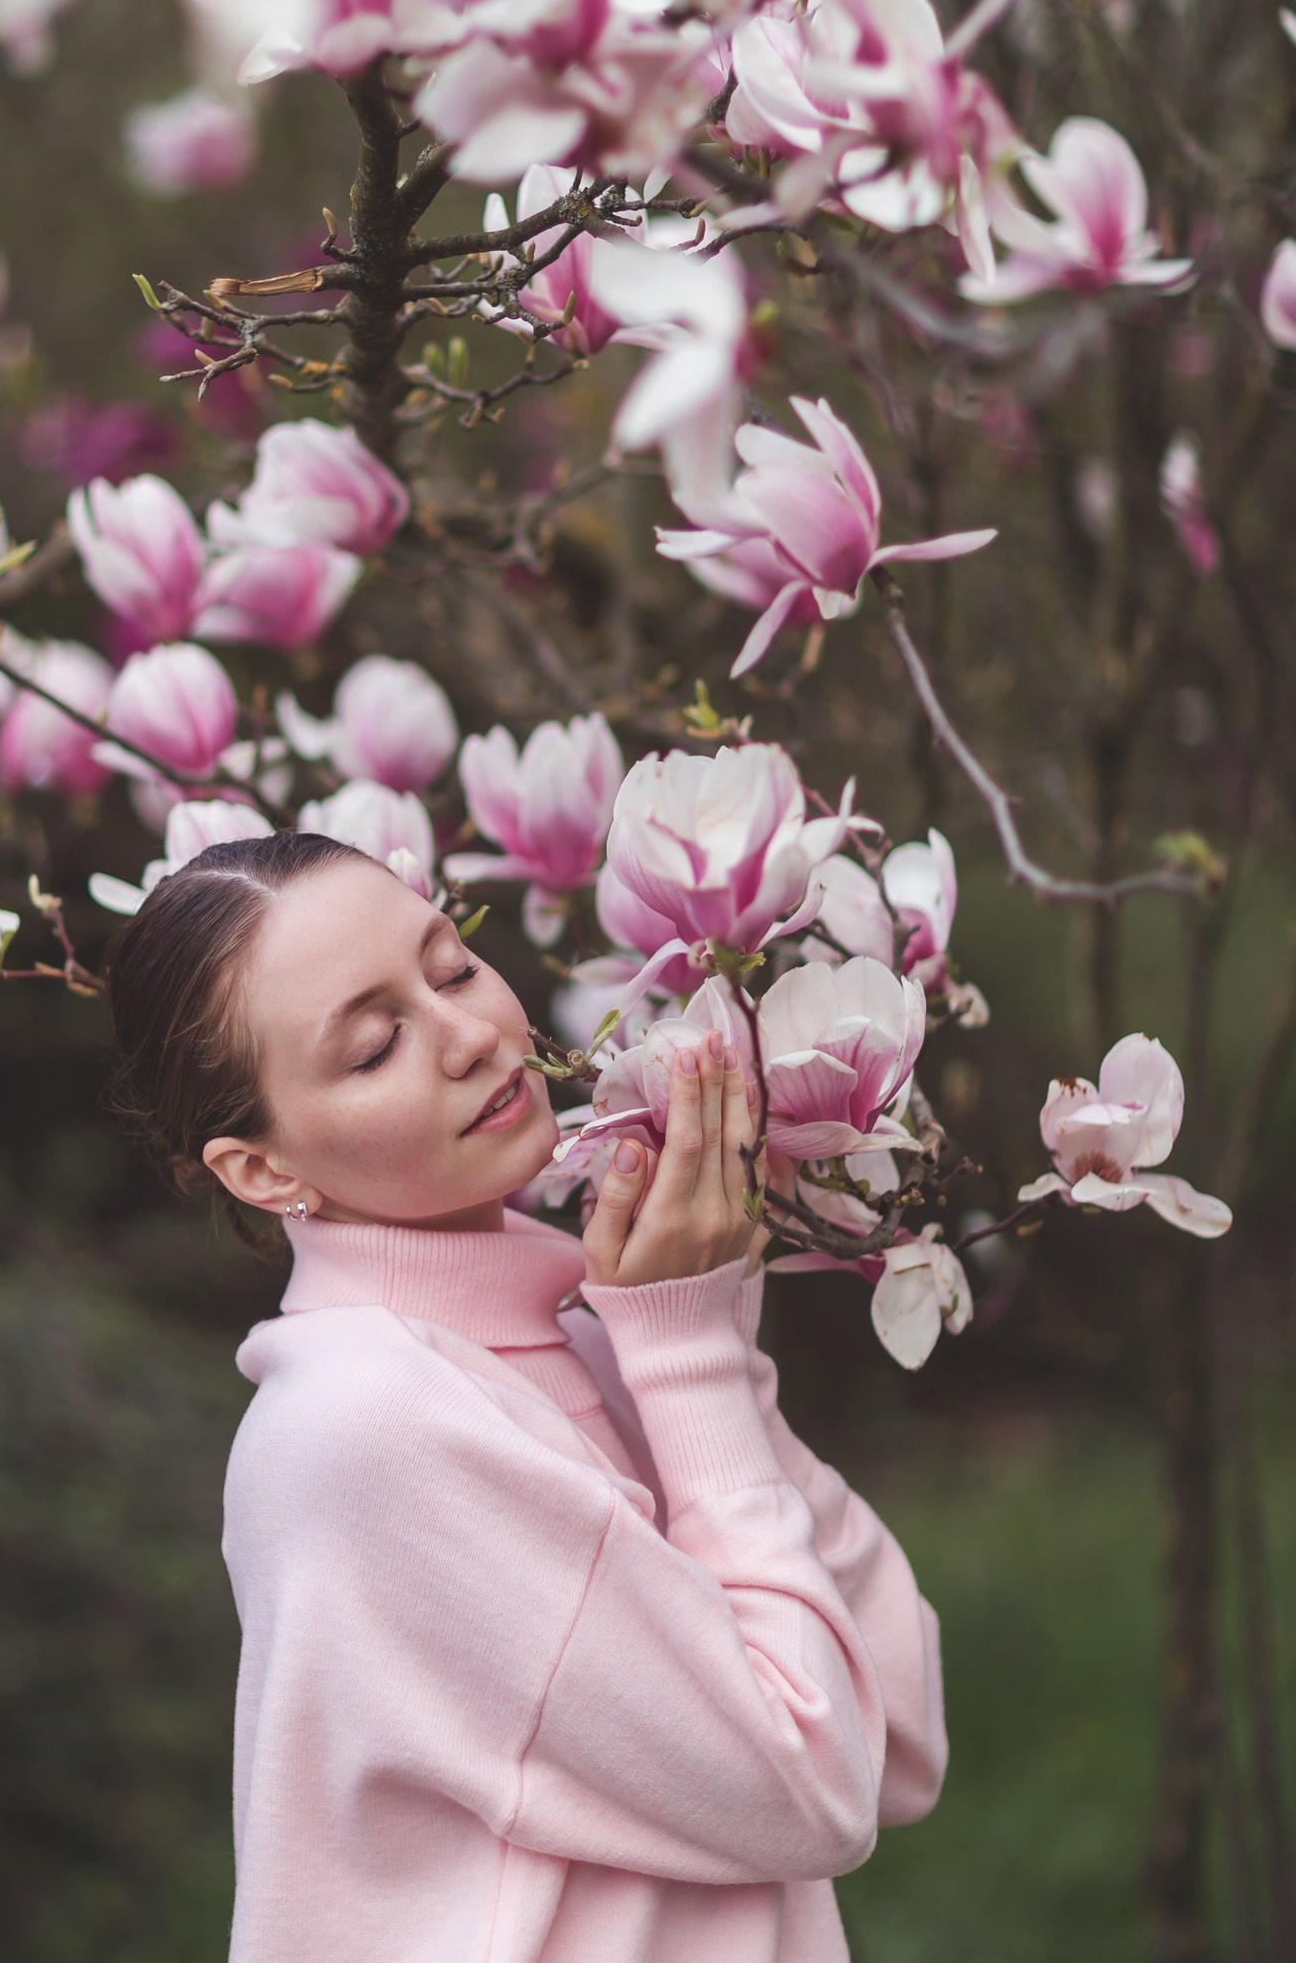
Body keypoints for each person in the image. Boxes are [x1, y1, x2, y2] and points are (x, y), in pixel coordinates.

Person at [104, 830, 946, 1963]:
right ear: (264, 1170)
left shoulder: (591, 1341)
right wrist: (687, 1356)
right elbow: (820, 1789)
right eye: (373, 1047)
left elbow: (898, 1742)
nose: (469, 1035)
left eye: (452, 967)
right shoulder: (365, 1426)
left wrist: (705, 1352)